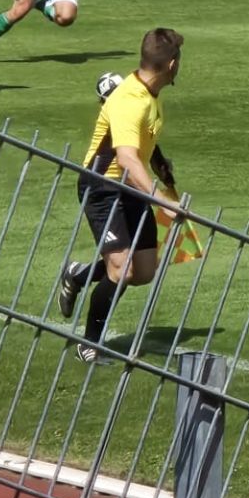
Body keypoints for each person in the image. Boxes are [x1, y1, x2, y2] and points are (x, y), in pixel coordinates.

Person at [55, 27, 185, 363]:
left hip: (131, 185)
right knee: (121, 269)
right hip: (103, 186)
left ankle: (77, 275)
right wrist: (162, 201)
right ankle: (90, 344)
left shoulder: (150, 94)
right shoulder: (129, 100)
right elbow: (126, 158)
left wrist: (159, 164)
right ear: (172, 65)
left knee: (144, 270)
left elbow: (141, 139)